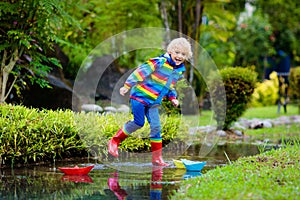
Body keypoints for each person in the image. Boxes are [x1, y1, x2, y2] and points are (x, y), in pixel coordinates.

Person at [108, 37, 193, 166]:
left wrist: (173, 97)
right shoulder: (159, 62)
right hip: (140, 97)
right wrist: (127, 86)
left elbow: (169, 86)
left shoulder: (177, 70)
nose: (179, 56)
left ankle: (157, 158)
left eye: (183, 54)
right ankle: (114, 141)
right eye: (177, 52)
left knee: (156, 127)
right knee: (139, 122)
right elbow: (140, 72)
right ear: (170, 51)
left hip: (153, 102)